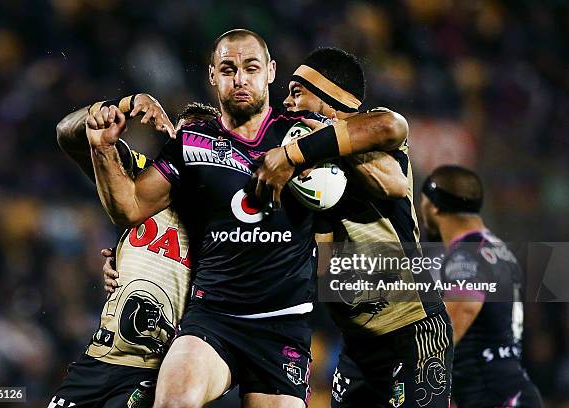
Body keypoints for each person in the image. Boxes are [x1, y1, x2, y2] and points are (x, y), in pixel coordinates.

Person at [85, 29, 408, 408]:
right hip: (213, 319)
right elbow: (130, 208)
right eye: (228, 69)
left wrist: (291, 156)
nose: (239, 79)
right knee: (173, 402)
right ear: (212, 76)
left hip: (282, 328)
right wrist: (102, 148)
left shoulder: (300, 131)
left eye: (250, 68)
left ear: (270, 72)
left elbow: (391, 128)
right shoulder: (192, 141)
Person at [283, 47, 453, 408]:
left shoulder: (378, 129)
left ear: (329, 95)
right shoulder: (302, 158)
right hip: (356, 346)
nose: (287, 102)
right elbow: (324, 268)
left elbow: (392, 182)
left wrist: (327, 138)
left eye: (297, 92)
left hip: (412, 333)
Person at [50, 99, 219, 408]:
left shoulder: (228, 218)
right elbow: (66, 134)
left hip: (158, 373)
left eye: (203, 143)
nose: (192, 153)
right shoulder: (141, 176)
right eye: (184, 140)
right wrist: (116, 107)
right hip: (97, 359)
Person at [420, 165, 542, 408]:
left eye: (422, 201)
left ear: (434, 205)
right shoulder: (499, 250)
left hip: (492, 394)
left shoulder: (465, 256)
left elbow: (461, 312)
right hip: (511, 389)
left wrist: (416, 365)